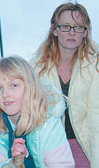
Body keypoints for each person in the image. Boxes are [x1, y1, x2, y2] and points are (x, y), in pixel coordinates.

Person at [31, 2, 99, 168]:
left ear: (86, 32)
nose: (72, 32)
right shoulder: (35, 68)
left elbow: (96, 118)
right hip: (49, 150)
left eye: (78, 27)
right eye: (66, 26)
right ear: (54, 30)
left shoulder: (95, 65)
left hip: (85, 148)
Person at [0, 56, 75, 168]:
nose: (5, 94)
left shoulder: (47, 121)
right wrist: (11, 164)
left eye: (13, 85)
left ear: (29, 87)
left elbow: (61, 164)